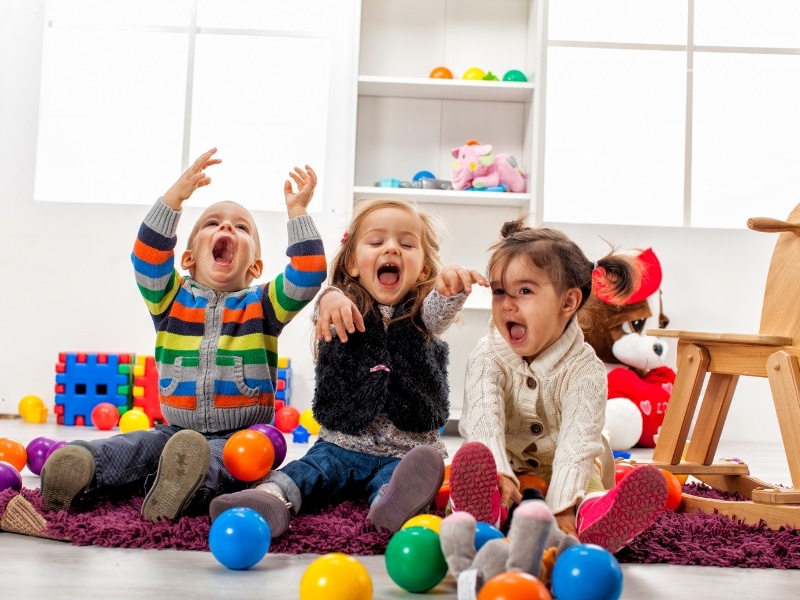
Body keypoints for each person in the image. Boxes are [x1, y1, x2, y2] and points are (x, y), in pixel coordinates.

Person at [40, 148, 327, 522]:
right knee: (136, 446)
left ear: (255, 265)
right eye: (213, 223)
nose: (226, 228)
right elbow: (147, 255)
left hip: (242, 435)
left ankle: (180, 487)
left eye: (241, 227)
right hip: (174, 430)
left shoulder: (264, 305)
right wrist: (175, 198)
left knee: (232, 463)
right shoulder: (169, 298)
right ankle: (85, 466)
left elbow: (309, 273)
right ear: (188, 257)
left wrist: (298, 213)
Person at [210, 198, 488, 538]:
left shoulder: (422, 315)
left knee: (399, 481)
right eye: (376, 242)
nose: (392, 249)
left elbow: (438, 311)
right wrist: (330, 297)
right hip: (340, 445)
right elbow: (325, 308)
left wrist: (450, 289)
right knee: (308, 471)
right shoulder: (342, 305)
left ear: (425, 269)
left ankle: (390, 505)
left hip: (404, 452)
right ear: (354, 263)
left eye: (406, 243)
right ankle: (268, 498)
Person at [449, 217, 667, 554]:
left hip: (570, 467)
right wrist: (499, 471)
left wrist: (562, 507)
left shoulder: (585, 370)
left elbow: (577, 445)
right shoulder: (487, 356)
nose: (507, 303)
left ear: (568, 303)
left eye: (524, 291)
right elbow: (482, 419)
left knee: (587, 490)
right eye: (499, 291)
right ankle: (486, 511)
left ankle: (595, 518)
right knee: (480, 463)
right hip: (508, 460)